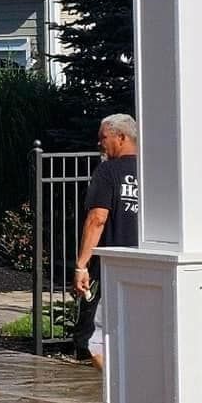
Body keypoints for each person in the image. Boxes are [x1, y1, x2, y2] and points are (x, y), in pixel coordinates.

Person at [73, 113, 139, 366]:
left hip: (112, 268)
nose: (99, 143)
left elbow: (97, 219)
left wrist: (81, 265)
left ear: (121, 137)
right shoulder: (153, 172)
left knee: (91, 340)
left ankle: (121, 387)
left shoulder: (108, 171)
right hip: (147, 265)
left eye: (103, 137)